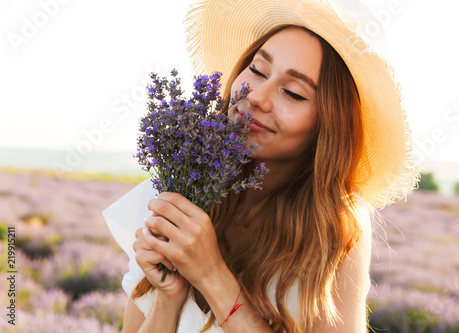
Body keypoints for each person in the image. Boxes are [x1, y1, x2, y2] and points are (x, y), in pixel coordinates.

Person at [103, 0, 421, 332]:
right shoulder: (181, 184)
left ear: (328, 123)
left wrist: (212, 276)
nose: (257, 97)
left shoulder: (337, 226)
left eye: (294, 93)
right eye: (256, 70)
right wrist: (169, 296)